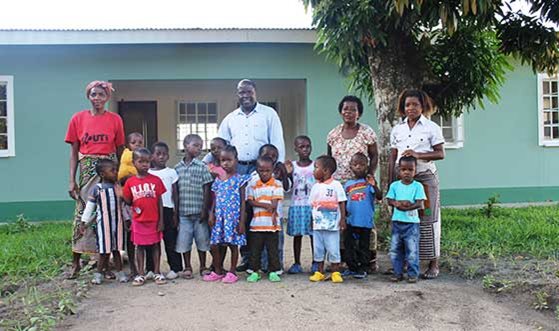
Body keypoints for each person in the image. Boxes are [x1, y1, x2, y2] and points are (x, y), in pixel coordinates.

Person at [65, 80, 125, 279]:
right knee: (83, 212)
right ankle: (75, 261)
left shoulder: (115, 119)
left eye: (101, 94)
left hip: (109, 169)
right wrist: (71, 180)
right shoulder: (78, 119)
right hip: (87, 170)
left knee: (106, 214)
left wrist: (120, 177)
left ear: (107, 97)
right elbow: (74, 153)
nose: (97, 98)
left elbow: (119, 150)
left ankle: (104, 263)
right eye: (93, 94)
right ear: (88, 97)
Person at [389, 89, 445, 279]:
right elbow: (393, 157)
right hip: (402, 181)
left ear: (423, 106)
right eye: (407, 105)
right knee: (403, 216)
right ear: (402, 108)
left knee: (428, 218)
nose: (411, 108)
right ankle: (404, 262)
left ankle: (433, 263)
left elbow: (440, 153)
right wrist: (390, 182)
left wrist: (418, 154)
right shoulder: (398, 129)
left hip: (425, 179)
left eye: (415, 104)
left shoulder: (431, 127)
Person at [327, 95, 379, 272]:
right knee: (343, 222)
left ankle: (369, 259)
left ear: (359, 113)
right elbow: (329, 160)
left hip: (361, 185)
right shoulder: (333, 134)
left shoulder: (367, 132)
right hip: (340, 185)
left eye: (353, 109)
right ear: (341, 111)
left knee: (365, 221)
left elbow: (374, 156)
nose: (349, 112)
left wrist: (369, 176)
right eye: (345, 108)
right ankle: (344, 259)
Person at [215, 79, 285, 175]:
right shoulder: (230, 118)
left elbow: (277, 140)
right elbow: (221, 145)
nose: (245, 96)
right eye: (242, 93)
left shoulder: (269, 114)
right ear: (237, 95)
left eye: (249, 92)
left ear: (255, 93)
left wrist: (279, 163)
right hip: (236, 168)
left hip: (261, 167)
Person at [203, 145, 250, 284]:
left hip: (233, 219)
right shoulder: (218, 180)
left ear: (236, 160)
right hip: (219, 218)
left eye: (229, 160)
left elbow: (243, 202)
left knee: (233, 244)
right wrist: (211, 214)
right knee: (215, 244)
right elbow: (215, 199)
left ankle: (232, 272)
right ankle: (218, 270)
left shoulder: (240, 180)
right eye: (223, 160)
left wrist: (242, 221)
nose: (226, 163)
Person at [121, 148, 167, 286]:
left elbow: (160, 201)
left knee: (156, 246)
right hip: (138, 221)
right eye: (141, 161)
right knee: (139, 247)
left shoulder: (156, 180)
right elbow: (128, 201)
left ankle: (157, 272)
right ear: (134, 163)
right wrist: (121, 195)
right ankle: (141, 274)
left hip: (154, 220)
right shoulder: (130, 182)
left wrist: (161, 220)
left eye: (147, 161)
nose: (144, 164)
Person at [80, 159, 126, 284]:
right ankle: (98, 274)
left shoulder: (117, 188)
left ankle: (120, 272)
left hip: (118, 224)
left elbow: (123, 205)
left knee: (117, 249)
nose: (116, 172)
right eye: (112, 170)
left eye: (116, 169)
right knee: (104, 250)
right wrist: (83, 221)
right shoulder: (97, 189)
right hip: (103, 225)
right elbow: (90, 206)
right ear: (102, 174)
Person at [174, 134, 213, 279]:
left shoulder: (202, 167)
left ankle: (203, 266)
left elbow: (207, 188)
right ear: (185, 145)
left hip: (199, 213)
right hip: (183, 213)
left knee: (202, 240)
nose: (199, 149)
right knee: (184, 241)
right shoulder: (177, 168)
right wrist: (176, 212)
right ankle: (187, 266)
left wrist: (205, 209)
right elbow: (175, 192)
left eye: (201, 146)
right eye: (196, 145)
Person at [386, 156, 427, 283]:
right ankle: (397, 273)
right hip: (397, 223)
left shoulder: (417, 186)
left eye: (410, 169)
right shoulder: (395, 186)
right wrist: (396, 204)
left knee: (412, 250)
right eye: (404, 169)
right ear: (399, 170)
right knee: (395, 250)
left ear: (415, 171)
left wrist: (408, 206)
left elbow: (420, 204)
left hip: (412, 224)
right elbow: (389, 200)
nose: (407, 172)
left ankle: (412, 274)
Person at [308, 155, 347, 283]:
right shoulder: (315, 187)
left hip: (332, 225)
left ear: (326, 170)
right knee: (318, 248)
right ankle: (319, 271)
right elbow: (312, 206)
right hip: (318, 225)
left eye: (316, 167)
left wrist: (342, 220)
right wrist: (311, 221)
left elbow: (341, 202)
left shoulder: (336, 185)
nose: (313, 171)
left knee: (333, 248)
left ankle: (335, 272)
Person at [343, 153, 382, 279]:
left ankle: (363, 268)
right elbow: (343, 202)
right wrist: (343, 217)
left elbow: (379, 196)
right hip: (350, 221)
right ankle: (352, 267)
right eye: (355, 164)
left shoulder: (368, 183)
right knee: (349, 245)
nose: (358, 167)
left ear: (367, 166)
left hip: (365, 222)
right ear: (351, 166)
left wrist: (374, 185)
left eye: (362, 164)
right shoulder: (347, 184)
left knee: (364, 246)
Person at [246, 156, 284, 282]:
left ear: (272, 169)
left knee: (272, 250)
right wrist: (265, 205)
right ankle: (254, 271)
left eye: (267, 170)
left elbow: (273, 205)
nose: (264, 173)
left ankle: (273, 271)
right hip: (256, 224)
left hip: (271, 225)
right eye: (261, 170)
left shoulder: (277, 184)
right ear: (257, 170)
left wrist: (264, 204)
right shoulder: (253, 184)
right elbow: (250, 202)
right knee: (255, 250)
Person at [149, 141, 182, 280]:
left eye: (164, 154)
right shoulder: (148, 173)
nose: (161, 157)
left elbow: (175, 194)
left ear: (168, 156)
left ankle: (175, 268)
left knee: (171, 240)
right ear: (152, 156)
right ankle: (151, 268)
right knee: (152, 242)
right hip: (152, 212)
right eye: (158, 154)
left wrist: (176, 213)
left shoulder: (171, 172)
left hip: (168, 210)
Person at [284, 136, 316, 274]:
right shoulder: (293, 166)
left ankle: (316, 261)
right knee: (297, 236)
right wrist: (288, 174)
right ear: (295, 149)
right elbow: (287, 187)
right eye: (301, 147)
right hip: (296, 205)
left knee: (314, 235)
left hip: (312, 206)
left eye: (308, 146)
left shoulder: (316, 165)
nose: (305, 149)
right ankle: (297, 263)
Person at [118, 132, 146, 277]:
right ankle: (133, 266)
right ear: (128, 145)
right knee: (130, 236)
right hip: (129, 205)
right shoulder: (125, 160)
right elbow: (121, 179)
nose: (137, 144)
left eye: (140, 142)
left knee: (144, 237)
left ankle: (145, 267)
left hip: (143, 205)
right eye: (134, 142)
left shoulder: (144, 161)